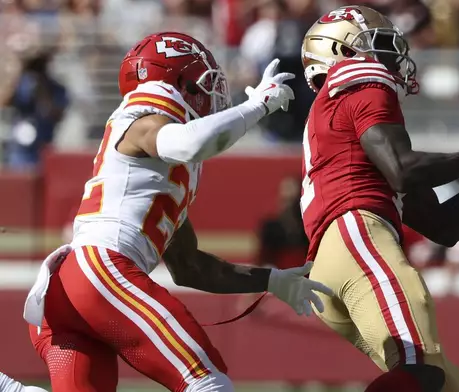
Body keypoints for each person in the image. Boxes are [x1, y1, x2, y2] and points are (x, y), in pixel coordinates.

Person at [23, 31, 332, 392]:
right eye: (203, 82)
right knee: (207, 384)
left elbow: (191, 267)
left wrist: (273, 280)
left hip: (72, 287)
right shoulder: (146, 115)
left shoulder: (156, 176)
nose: (211, 93)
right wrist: (256, 106)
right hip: (103, 271)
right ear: (175, 81)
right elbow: (189, 143)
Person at [299, 5, 459, 392]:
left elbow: (443, 227)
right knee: (421, 372)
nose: (394, 56)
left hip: (336, 260)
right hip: (359, 238)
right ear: (343, 53)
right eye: (379, 45)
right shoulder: (361, 83)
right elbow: (404, 169)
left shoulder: (342, 127)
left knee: (446, 385)